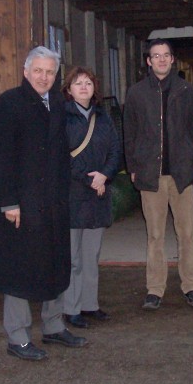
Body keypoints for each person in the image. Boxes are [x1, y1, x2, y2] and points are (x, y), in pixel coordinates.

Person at [0, 46, 87, 361]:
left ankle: (54, 327)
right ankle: (18, 337)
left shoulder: (57, 102)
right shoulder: (9, 103)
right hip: (21, 202)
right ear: (26, 72)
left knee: (55, 262)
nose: (44, 77)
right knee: (19, 267)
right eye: (38, 71)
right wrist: (9, 203)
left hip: (54, 200)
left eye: (50, 72)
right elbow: (0, 157)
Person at [123, 38, 193, 310]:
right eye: (155, 56)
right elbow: (130, 133)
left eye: (165, 55)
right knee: (155, 234)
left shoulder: (185, 90)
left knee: (187, 233)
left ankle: (191, 286)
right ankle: (155, 289)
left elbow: (191, 131)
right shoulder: (136, 93)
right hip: (151, 175)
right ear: (148, 61)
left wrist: (190, 161)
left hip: (180, 174)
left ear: (172, 60)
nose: (160, 60)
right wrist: (133, 167)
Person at [61, 66, 122, 329]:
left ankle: (90, 304)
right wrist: (90, 179)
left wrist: (105, 175)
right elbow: (59, 158)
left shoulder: (104, 117)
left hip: (98, 195)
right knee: (72, 258)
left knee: (91, 256)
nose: (84, 87)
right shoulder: (62, 118)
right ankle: (70, 308)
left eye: (88, 83)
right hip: (73, 195)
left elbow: (115, 150)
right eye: (78, 83)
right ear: (68, 90)